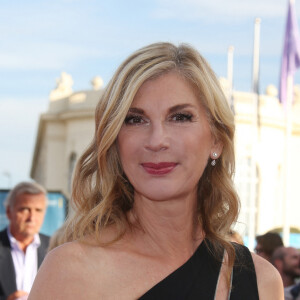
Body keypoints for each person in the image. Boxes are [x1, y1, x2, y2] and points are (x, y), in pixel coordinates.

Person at [28, 42, 283, 300]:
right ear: (116, 142)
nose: (157, 139)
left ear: (216, 139)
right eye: (135, 120)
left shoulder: (261, 281)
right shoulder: (70, 272)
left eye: (180, 117)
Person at [0, 181, 49, 300]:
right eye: (25, 209)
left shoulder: (55, 247)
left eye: (38, 210)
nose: (31, 218)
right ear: (8, 212)